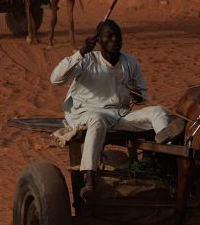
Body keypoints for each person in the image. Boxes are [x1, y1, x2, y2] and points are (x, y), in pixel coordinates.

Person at [50, 20, 184, 201]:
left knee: (158, 112)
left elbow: (142, 95)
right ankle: (89, 179)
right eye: (109, 36)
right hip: (86, 113)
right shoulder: (87, 59)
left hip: (120, 114)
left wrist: (138, 96)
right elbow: (55, 79)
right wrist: (80, 52)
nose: (115, 40)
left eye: (117, 36)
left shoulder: (130, 62)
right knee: (97, 119)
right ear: (99, 40)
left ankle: (168, 161)